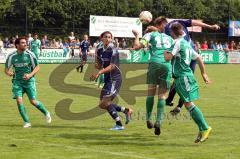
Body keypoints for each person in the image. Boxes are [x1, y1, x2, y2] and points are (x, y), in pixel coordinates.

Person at [147, 18, 220, 115]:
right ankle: (175, 103)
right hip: (190, 54)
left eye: (158, 25)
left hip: (183, 56)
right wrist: (203, 73)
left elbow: (165, 47)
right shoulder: (178, 30)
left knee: (179, 79)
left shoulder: (172, 31)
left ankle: (176, 103)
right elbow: (195, 23)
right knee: (182, 80)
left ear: (162, 23)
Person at [164, 23, 212, 143]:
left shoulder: (177, 43)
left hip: (183, 77)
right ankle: (202, 129)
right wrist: (203, 73)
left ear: (172, 33)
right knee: (187, 104)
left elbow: (167, 57)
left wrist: (164, 49)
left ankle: (205, 127)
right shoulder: (185, 43)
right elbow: (199, 58)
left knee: (189, 104)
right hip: (183, 77)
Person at [132, 17, 174, 135]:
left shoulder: (150, 35)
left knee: (150, 93)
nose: (166, 26)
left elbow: (136, 48)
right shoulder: (170, 38)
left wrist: (136, 36)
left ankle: (148, 119)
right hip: (166, 65)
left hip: (154, 64)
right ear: (162, 24)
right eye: (165, 24)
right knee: (162, 96)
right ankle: (159, 121)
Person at [5, 37, 51, 128]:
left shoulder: (30, 54)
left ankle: (46, 112)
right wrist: (9, 73)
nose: (25, 44)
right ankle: (27, 122)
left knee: (33, 101)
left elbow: (37, 67)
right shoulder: (12, 56)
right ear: (17, 45)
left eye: (25, 42)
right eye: (23, 43)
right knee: (19, 100)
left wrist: (30, 75)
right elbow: (6, 69)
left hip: (29, 82)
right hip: (17, 82)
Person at [90, 31, 132, 130]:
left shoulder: (113, 49)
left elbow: (113, 66)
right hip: (108, 79)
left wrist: (99, 72)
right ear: (102, 38)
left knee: (105, 102)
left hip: (115, 79)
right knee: (102, 104)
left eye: (109, 37)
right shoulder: (100, 50)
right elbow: (99, 65)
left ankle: (119, 124)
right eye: (106, 37)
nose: (108, 39)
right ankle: (126, 110)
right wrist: (96, 62)